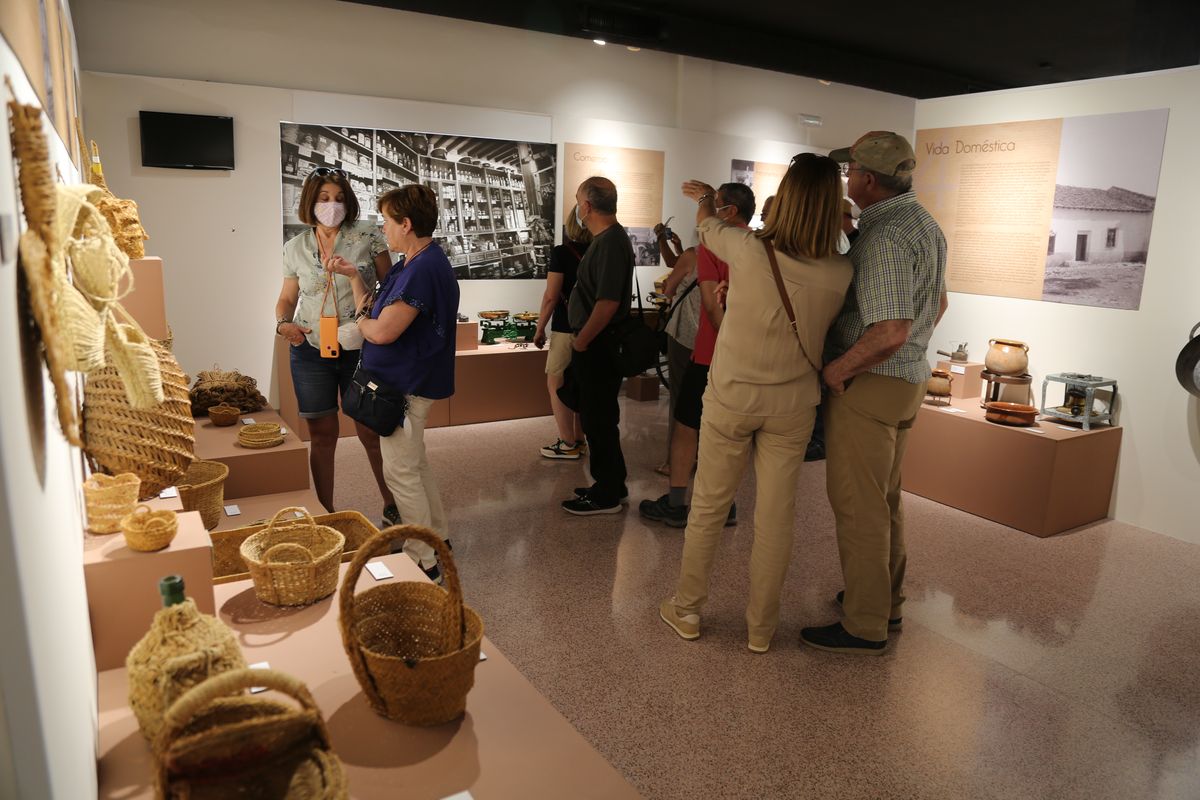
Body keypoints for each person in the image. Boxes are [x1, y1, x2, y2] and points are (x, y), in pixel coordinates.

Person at [659, 154, 853, 653]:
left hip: (732, 395)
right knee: (775, 517)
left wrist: (704, 200)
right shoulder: (840, 272)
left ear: (782, 198)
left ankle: (686, 609)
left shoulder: (746, 248)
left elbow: (705, 225)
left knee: (708, 505)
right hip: (793, 404)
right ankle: (761, 629)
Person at [800, 131, 948, 655]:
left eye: (849, 172)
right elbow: (939, 304)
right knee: (884, 500)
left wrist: (837, 370)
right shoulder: (923, 223)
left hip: (872, 384)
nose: (846, 179)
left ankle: (864, 623)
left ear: (865, 178)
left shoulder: (884, 237)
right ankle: (886, 600)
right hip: (907, 381)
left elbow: (888, 331)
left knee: (858, 505)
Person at [328, 184, 460, 583]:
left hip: (406, 386)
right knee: (414, 465)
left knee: (400, 472)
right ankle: (437, 538)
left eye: (386, 222)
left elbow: (383, 331)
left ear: (406, 223)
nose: (382, 229)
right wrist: (354, 277)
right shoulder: (413, 263)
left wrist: (360, 327)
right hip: (405, 381)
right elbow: (377, 305)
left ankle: (425, 560)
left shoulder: (423, 270)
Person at [276, 167, 397, 521]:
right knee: (321, 431)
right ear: (310, 203)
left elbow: (390, 287)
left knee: (370, 428)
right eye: (325, 199)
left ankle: (393, 504)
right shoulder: (294, 247)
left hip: (361, 346)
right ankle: (326, 512)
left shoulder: (368, 236)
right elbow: (286, 297)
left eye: (340, 199)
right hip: (311, 348)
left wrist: (373, 311)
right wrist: (283, 323)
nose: (332, 206)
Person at [640, 183, 756, 527]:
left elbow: (710, 303)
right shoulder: (761, 246)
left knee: (688, 426)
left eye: (714, 206)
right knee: (728, 434)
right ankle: (725, 504)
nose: (705, 214)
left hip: (709, 356)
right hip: (745, 359)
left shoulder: (713, 243)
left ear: (729, 212)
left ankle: (677, 503)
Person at [560, 177, 635, 516]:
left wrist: (582, 340)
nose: (577, 208)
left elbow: (606, 303)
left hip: (598, 346)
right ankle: (612, 483)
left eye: (578, 201)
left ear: (587, 206)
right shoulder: (607, 240)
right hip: (595, 343)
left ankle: (605, 494)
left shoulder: (610, 243)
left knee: (598, 419)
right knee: (599, 417)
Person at [533, 208, 590, 459]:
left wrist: (539, 327)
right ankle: (580, 439)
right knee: (580, 383)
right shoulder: (599, 250)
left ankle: (567, 443)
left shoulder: (561, 252)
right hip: (592, 328)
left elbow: (551, 295)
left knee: (555, 382)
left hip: (566, 328)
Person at [655, 222, 700, 475]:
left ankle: (675, 461)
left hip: (685, 334)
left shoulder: (694, 255)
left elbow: (669, 288)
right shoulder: (730, 254)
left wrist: (664, 240)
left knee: (680, 398)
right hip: (712, 336)